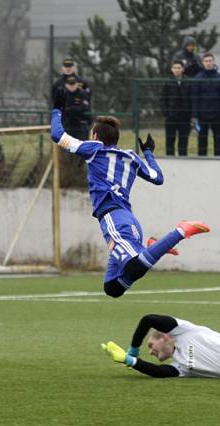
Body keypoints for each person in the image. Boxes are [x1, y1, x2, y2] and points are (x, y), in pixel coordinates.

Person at [49, 105, 210, 298]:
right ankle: (151, 248)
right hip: (127, 219)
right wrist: (148, 152)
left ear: (95, 136)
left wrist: (57, 110)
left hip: (113, 218)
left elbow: (58, 135)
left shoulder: (94, 149)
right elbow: (157, 177)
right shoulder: (131, 156)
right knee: (113, 288)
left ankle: (181, 231)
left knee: (134, 267)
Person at [192, 52, 220, 156]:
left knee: (218, 140)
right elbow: (195, 98)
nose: (208, 63)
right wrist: (195, 115)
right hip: (202, 115)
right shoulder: (198, 78)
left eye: (210, 61)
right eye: (206, 61)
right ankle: (201, 162)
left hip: (217, 115)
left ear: (214, 62)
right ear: (203, 63)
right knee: (202, 141)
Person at [160, 60, 192, 156]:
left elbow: (191, 99)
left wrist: (190, 114)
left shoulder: (188, 81)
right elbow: (162, 99)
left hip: (185, 117)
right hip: (171, 117)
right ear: (171, 69)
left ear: (183, 69)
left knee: (183, 140)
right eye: (175, 68)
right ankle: (170, 159)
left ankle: (183, 160)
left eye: (179, 68)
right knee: (170, 140)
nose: (177, 70)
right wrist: (165, 113)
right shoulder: (167, 82)